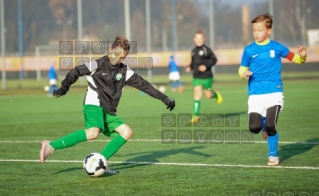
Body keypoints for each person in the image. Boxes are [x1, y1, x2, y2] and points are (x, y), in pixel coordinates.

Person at [39, 36, 176, 174]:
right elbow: (74, 72)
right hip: (94, 104)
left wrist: (164, 98)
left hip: (109, 110)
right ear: (110, 50)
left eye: (122, 57)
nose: (119, 59)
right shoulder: (96, 64)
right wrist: (63, 89)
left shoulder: (124, 71)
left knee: (127, 132)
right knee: (93, 133)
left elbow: (144, 85)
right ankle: (50, 146)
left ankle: (100, 162)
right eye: (117, 54)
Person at [238, 13, 307, 166]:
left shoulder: (277, 47)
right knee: (254, 127)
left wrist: (302, 56)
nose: (256, 33)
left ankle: (273, 156)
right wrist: (243, 73)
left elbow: (296, 59)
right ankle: (263, 128)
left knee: (271, 125)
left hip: (274, 92)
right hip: (256, 93)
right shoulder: (249, 50)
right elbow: (241, 68)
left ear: (269, 31)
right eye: (254, 30)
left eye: (260, 30)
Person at [186, 30, 222, 123]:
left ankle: (215, 94)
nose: (199, 40)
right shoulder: (193, 51)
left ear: (204, 39)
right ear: (194, 39)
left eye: (201, 38)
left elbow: (214, 59)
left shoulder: (207, 50)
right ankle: (195, 116)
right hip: (196, 77)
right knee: (197, 94)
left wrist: (206, 66)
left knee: (208, 95)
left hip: (207, 76)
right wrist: (189, 67)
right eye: (197, 38)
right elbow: (193, 62)